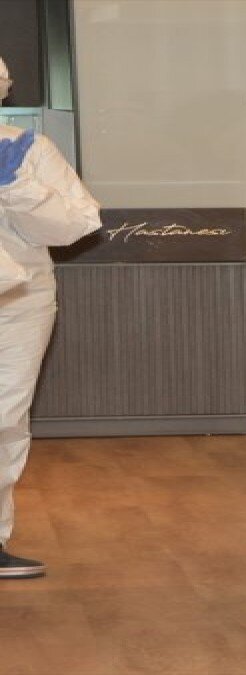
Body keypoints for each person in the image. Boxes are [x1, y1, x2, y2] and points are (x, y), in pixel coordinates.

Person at [0, 56, 102, 578]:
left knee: (3, 420)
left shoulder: (28, 149)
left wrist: (16, 184)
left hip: (17, 302)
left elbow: (74, 227)